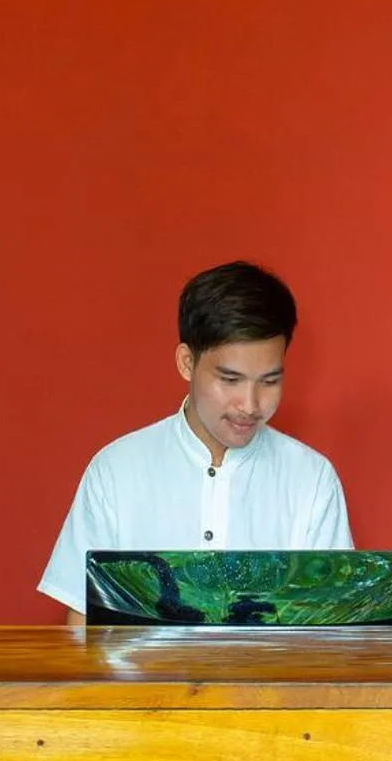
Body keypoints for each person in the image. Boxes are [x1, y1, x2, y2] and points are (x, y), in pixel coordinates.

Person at [38, 261, 353, 621]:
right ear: (187, 362)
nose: (250, 405)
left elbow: (331, 633)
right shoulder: (116, 471)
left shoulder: (311, 480)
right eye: (230, 379)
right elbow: (81, 625)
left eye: (269, 381)